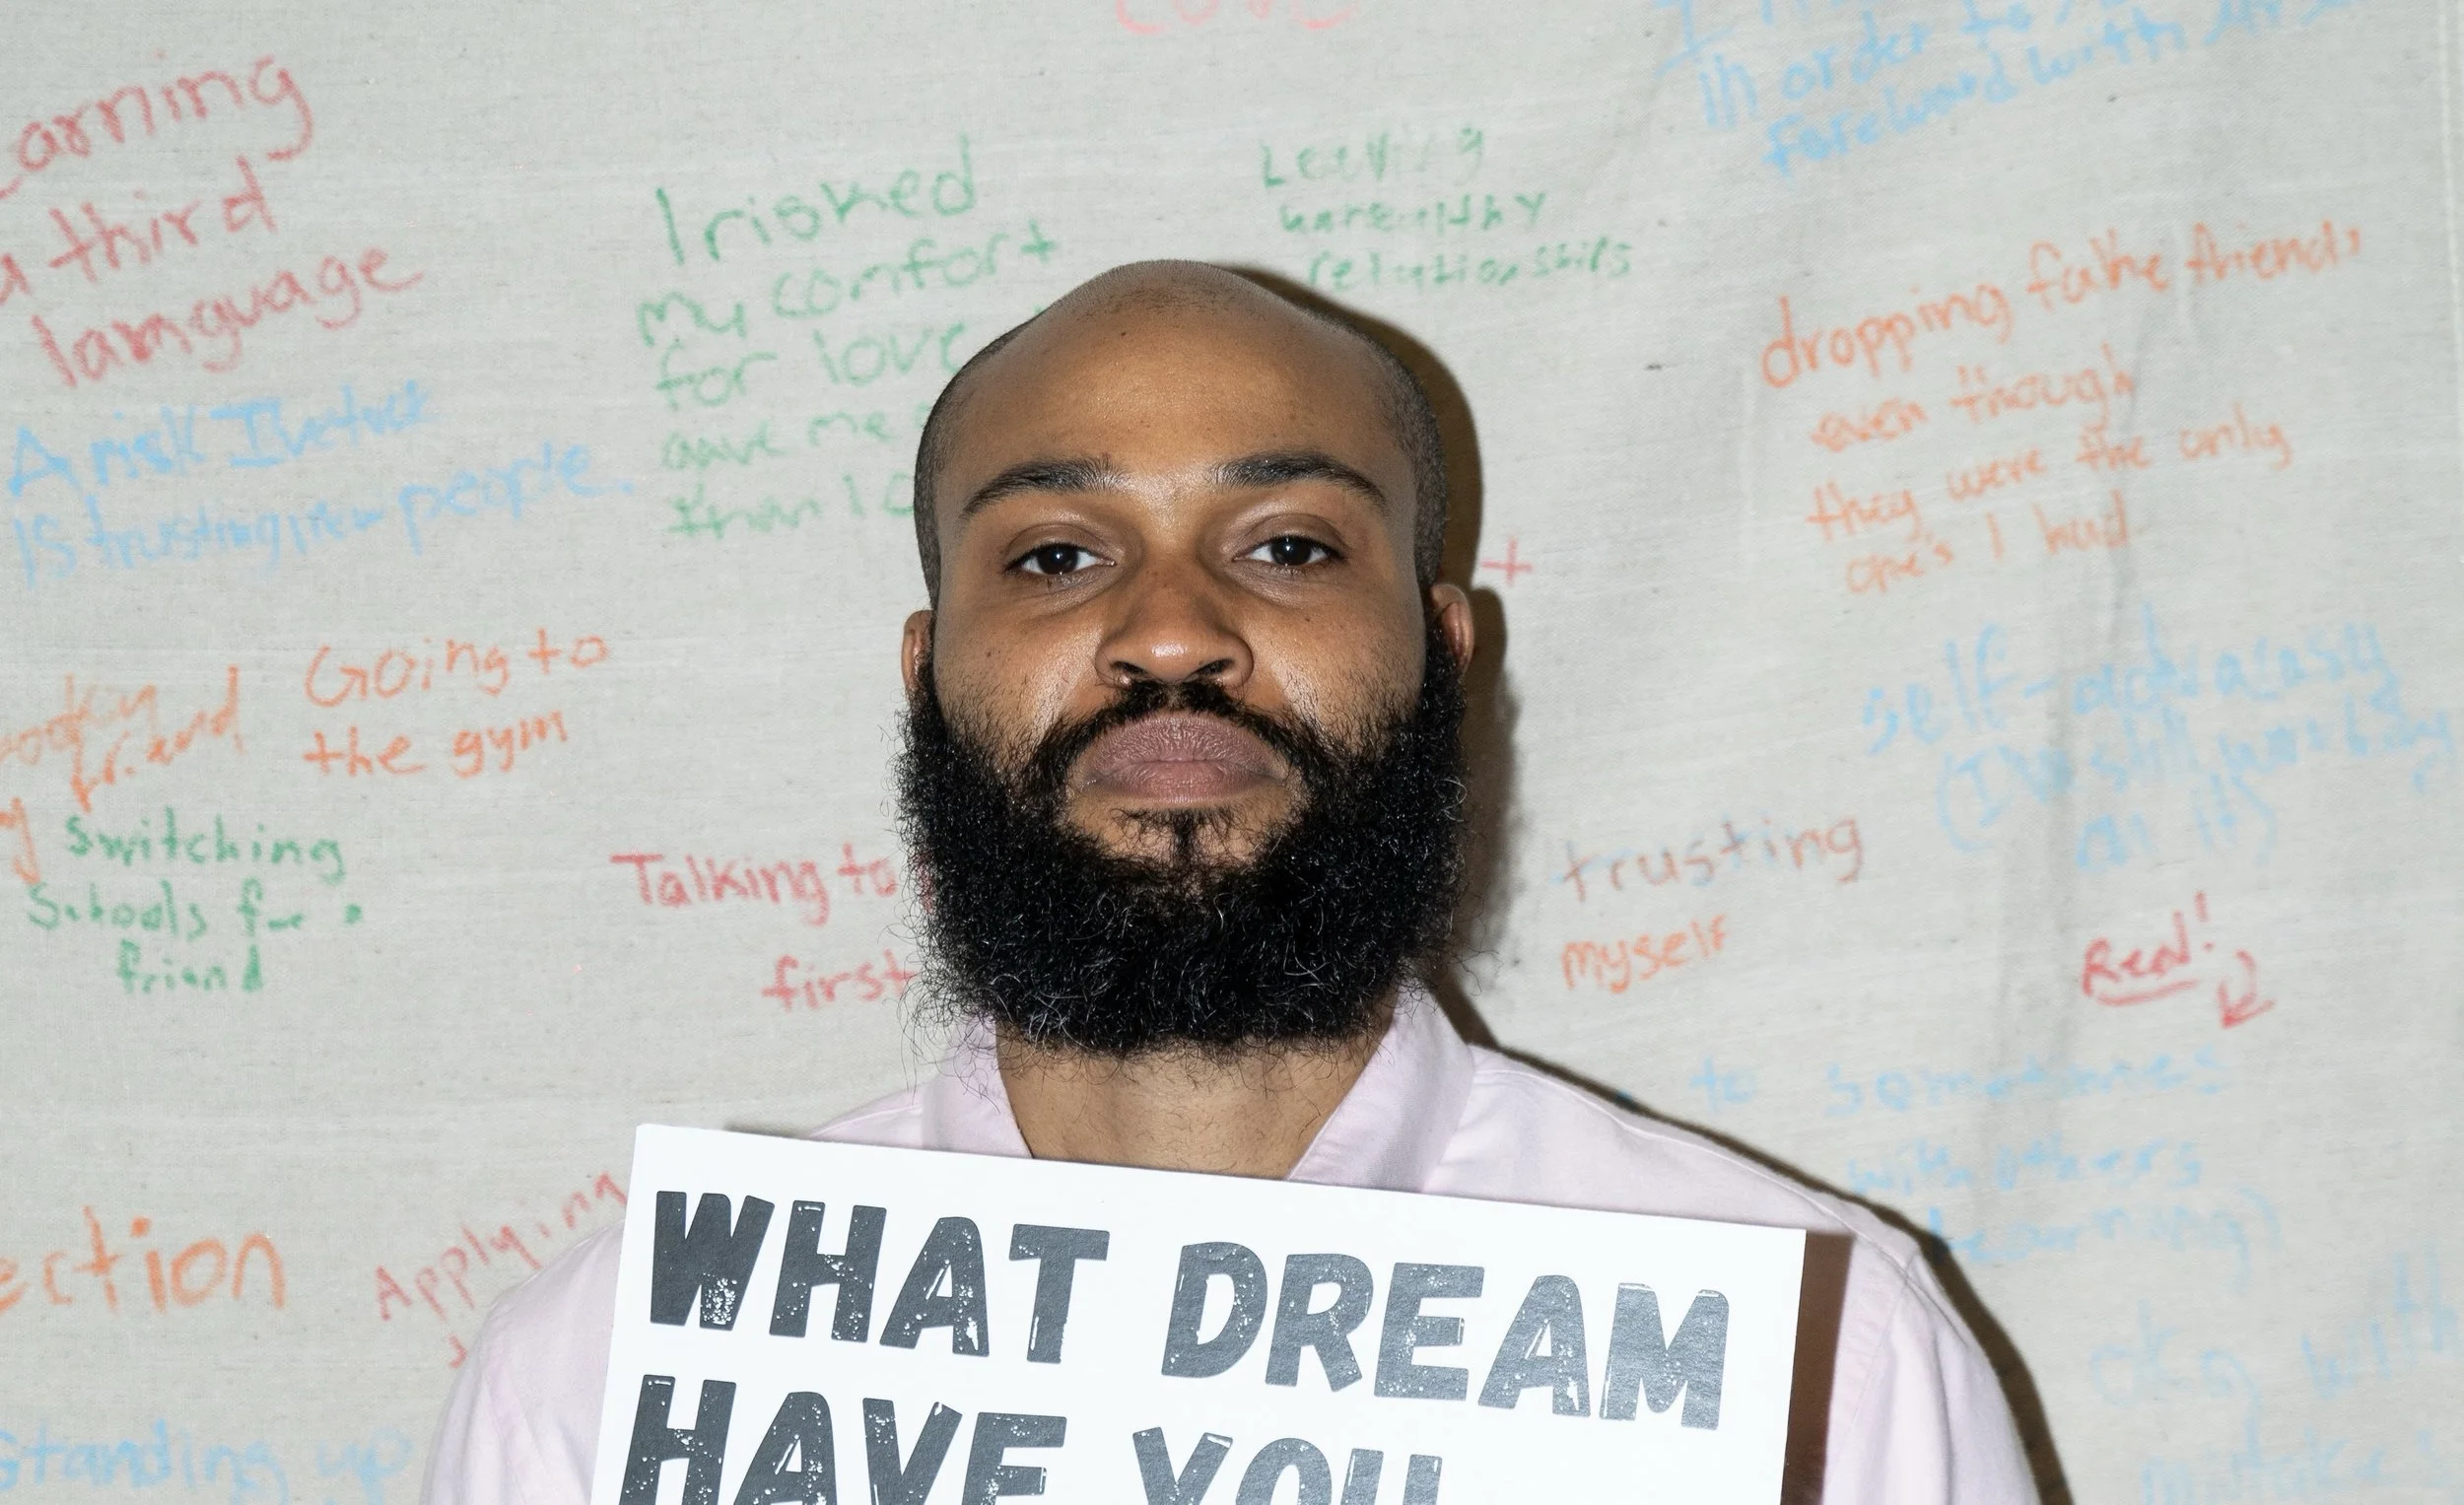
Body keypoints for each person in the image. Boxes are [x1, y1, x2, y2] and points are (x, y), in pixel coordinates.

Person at [424, 261, 2039, 1503]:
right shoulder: (597, 1385)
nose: (1172, 632)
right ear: (928, 674)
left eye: (1288, 546)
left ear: (1444, 649)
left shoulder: (1826, 1370)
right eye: (1057, 554)